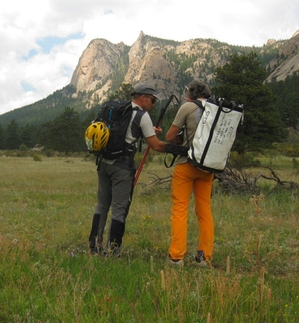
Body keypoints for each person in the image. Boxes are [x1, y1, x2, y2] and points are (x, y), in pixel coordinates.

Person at [88, 83, 168, 256]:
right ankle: (112, 250)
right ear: (143, 98)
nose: (153, 104)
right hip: (122, 167)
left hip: (104, 163)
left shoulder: (115, 109)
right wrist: (178, 148)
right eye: (152, 100)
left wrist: (149, 131)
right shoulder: (142, 115)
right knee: (119, 208)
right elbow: (155, 145)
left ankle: (94, 247)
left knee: (102, 205)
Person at [165, 80, 214, 267]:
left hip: (186, 164)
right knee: (204, 211)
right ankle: (205, 257)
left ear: (190, 94)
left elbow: (170, 136)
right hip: (208, 167)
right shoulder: (216, 110)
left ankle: (176, 257)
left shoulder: (187, 107)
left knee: (180, 209)